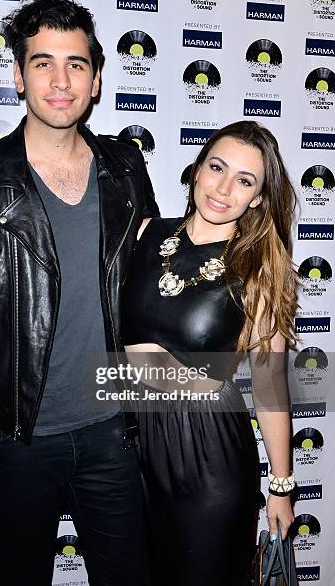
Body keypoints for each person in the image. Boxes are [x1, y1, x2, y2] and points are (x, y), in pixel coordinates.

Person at [0, 0, 159, 586]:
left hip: (113, 431)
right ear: (17, 74)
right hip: (17, 440)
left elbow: (154, 281)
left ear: (98, 78)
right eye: (43, 63)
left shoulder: (126, 167)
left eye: (76, 64)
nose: (61, 81)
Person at [122, 121, 297, 586]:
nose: (223, 188)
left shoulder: (258, 270)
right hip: (131, 449)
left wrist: (281, 487)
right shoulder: (144, 234)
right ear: (197, 170)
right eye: (216, 168)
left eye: (245, 180)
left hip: (207, 453)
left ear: (258, 197)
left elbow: (270, 385)